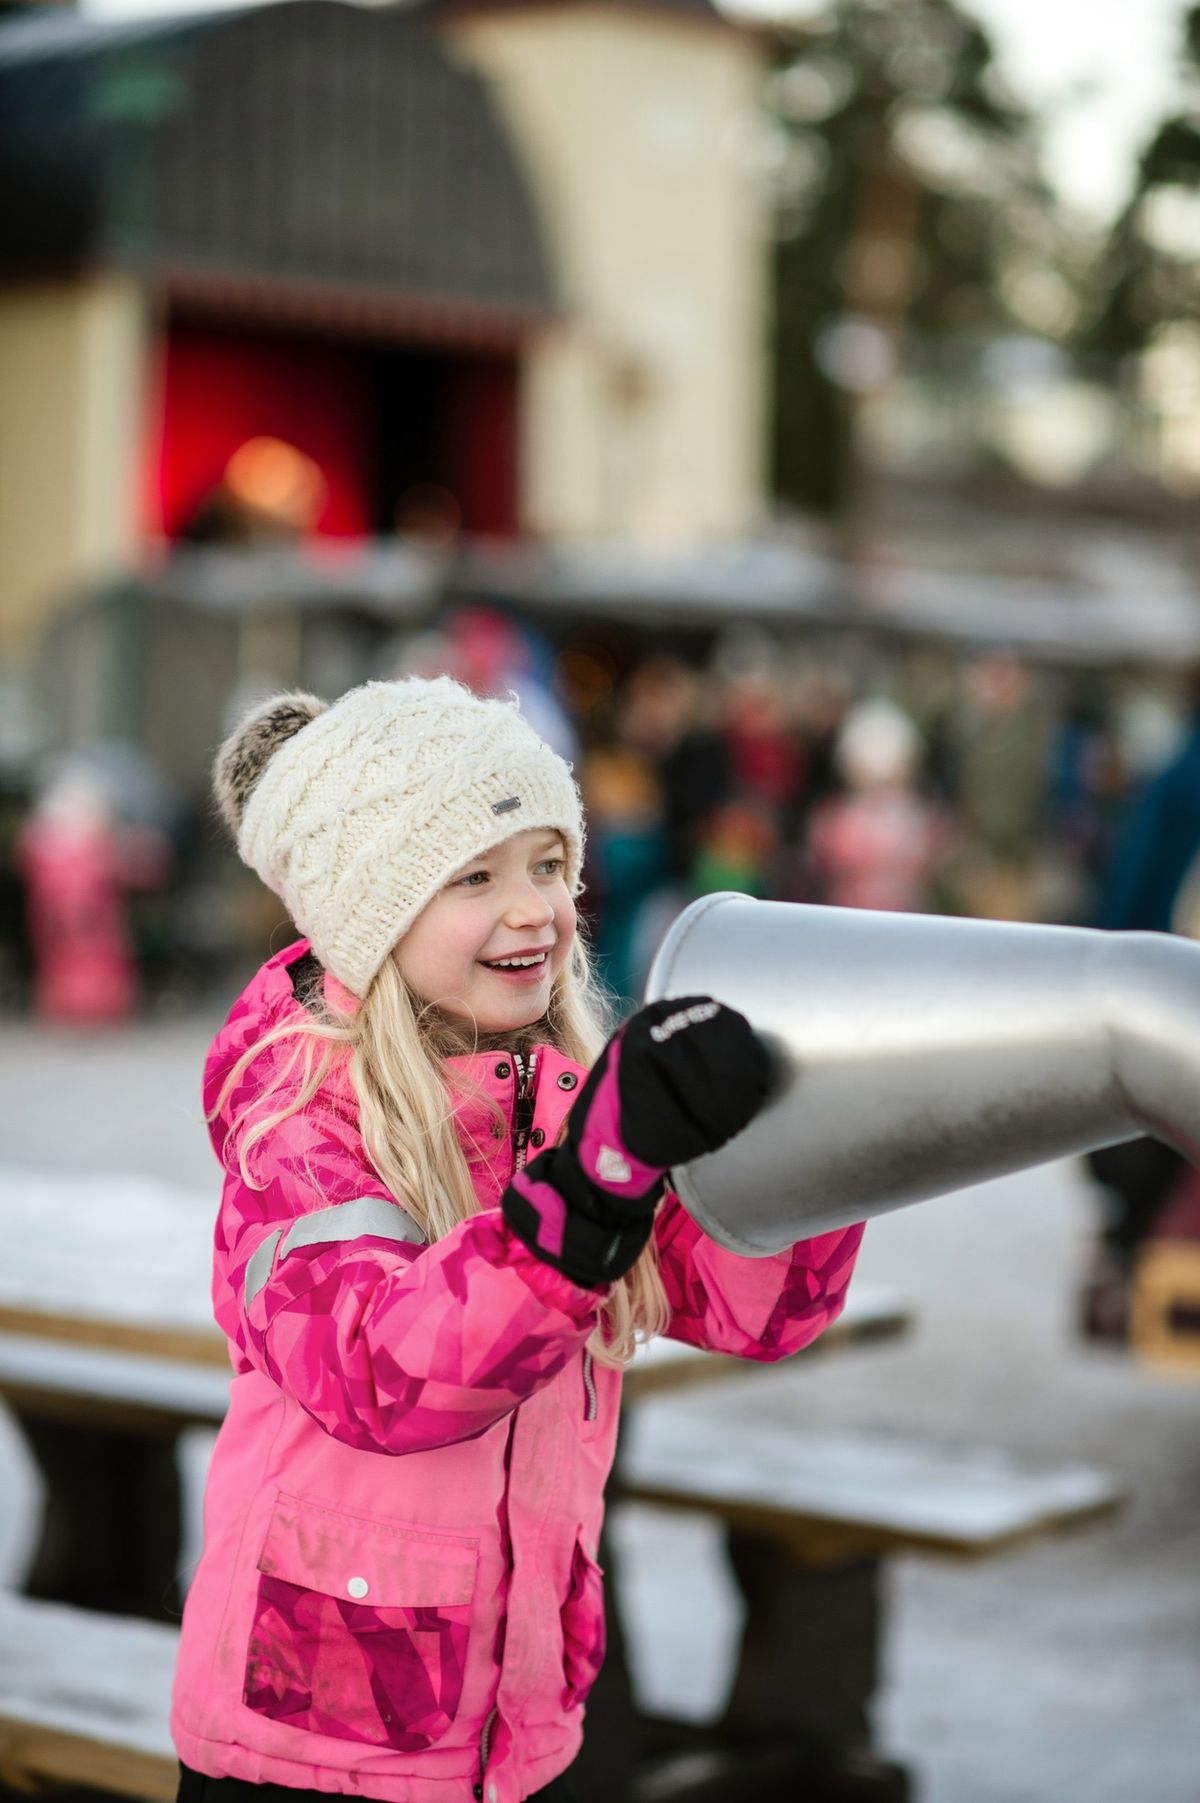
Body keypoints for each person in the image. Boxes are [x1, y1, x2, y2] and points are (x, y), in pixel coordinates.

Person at [171, 676, 864, 1803]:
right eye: (477, 876)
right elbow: (385, 1370)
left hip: (518, 1718)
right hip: (318, 1738)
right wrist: (594, 1182)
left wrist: (822, 1146)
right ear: (370, 910)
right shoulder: (297, 1122)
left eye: (549, 863)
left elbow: (749, 1305)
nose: (537, 907)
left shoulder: (569, 1091)